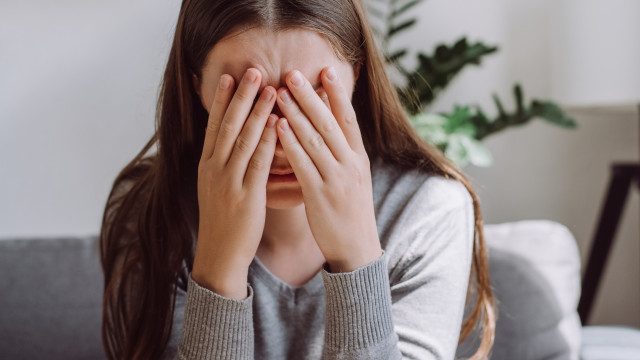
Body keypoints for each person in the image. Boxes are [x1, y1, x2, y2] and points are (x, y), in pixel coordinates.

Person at [100, 0, 496, 359]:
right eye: (248, 98)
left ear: (355, 77)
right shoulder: (151, 213)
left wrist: (356, 258)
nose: (281, 140)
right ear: (197, 86)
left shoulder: (427, 209)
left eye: (309, 96)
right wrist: (219, 271)